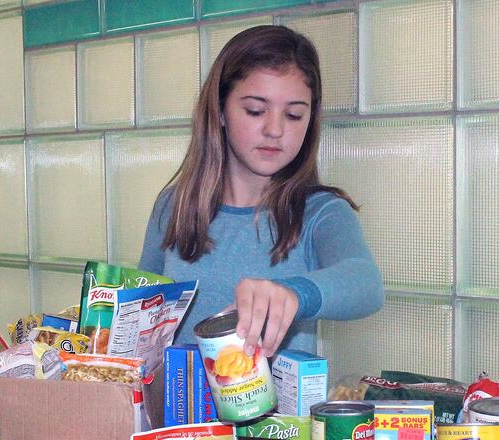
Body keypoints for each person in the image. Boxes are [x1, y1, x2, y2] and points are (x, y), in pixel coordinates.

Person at [138, 25, 384, 358]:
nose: (275, 129)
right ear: (221, 110)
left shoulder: (321, 212)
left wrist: (294, 294)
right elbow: (143, 316)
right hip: (180, 407)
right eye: (255, 110)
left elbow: (366, 283)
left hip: (285, 412)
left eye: (294, 115)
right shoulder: (173, 206)